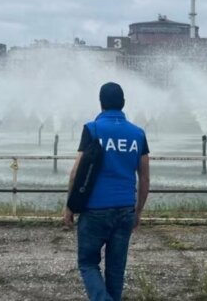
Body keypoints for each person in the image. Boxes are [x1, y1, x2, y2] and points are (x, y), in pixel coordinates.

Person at [64, 82, 150, 301]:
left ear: (100, 103)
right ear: (123, 103)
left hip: (94, 210)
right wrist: (138, 211)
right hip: (125, 209)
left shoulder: (92, 129)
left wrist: (70, 206)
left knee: (87, 263)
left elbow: (75, 172)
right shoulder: (138, 134)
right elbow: (145, 178)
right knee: (116, 271)